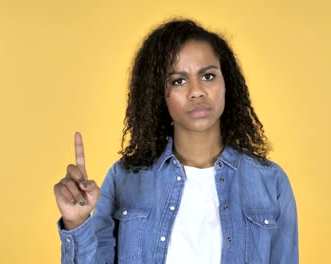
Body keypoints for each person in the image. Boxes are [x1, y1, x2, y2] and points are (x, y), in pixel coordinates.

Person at [54, 18, 298, 264]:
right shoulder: (124, 179)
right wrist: (76, 222)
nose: (196, 91)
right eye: (178, 80)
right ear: (158, 94)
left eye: (208, 76)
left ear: (227, 84)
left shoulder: (271, 183)